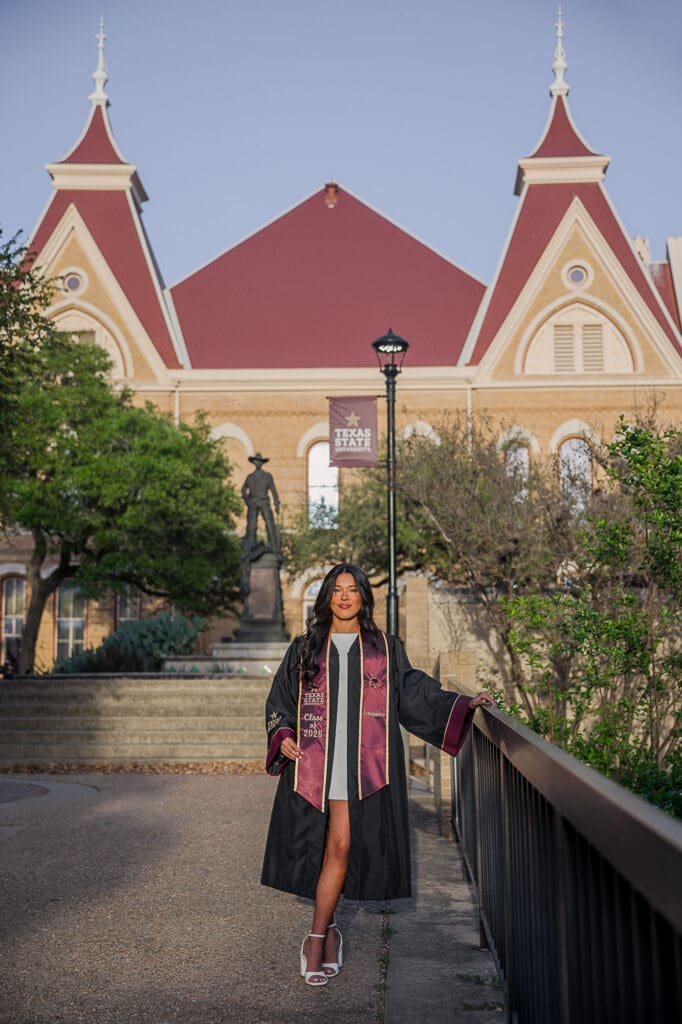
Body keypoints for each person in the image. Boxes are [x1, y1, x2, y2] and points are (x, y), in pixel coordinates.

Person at [261, 562, 495, 986]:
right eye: (337, 590)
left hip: (365, 762)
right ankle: (322, 935)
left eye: (353, 590)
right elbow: (280, 700)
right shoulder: (304, 649)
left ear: (364, 597)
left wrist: (461, 704)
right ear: (327, 597)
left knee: (343, 844)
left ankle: (320, 935)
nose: (345, 597)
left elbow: (412, 692)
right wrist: (283, 732)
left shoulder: (384, 649)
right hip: (319, 761)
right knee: (335, 846)